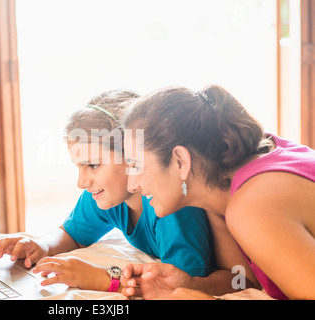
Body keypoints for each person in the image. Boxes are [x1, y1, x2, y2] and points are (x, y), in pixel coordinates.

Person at [0, 89, 215, 292]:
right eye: (79, 167)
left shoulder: (171, 204)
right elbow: (72, 234)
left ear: (132, 154)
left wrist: (104, 278)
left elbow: (177, 285)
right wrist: (42, 246)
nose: (82, 182)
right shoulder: (108, 196)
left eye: (93, 165)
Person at [120, 85, 315, 300]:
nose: (132, 186)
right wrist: (194, 286)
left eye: (136, 165)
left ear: (180, 162)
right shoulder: (220, 192)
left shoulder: (251, 207)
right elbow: (242, 280)